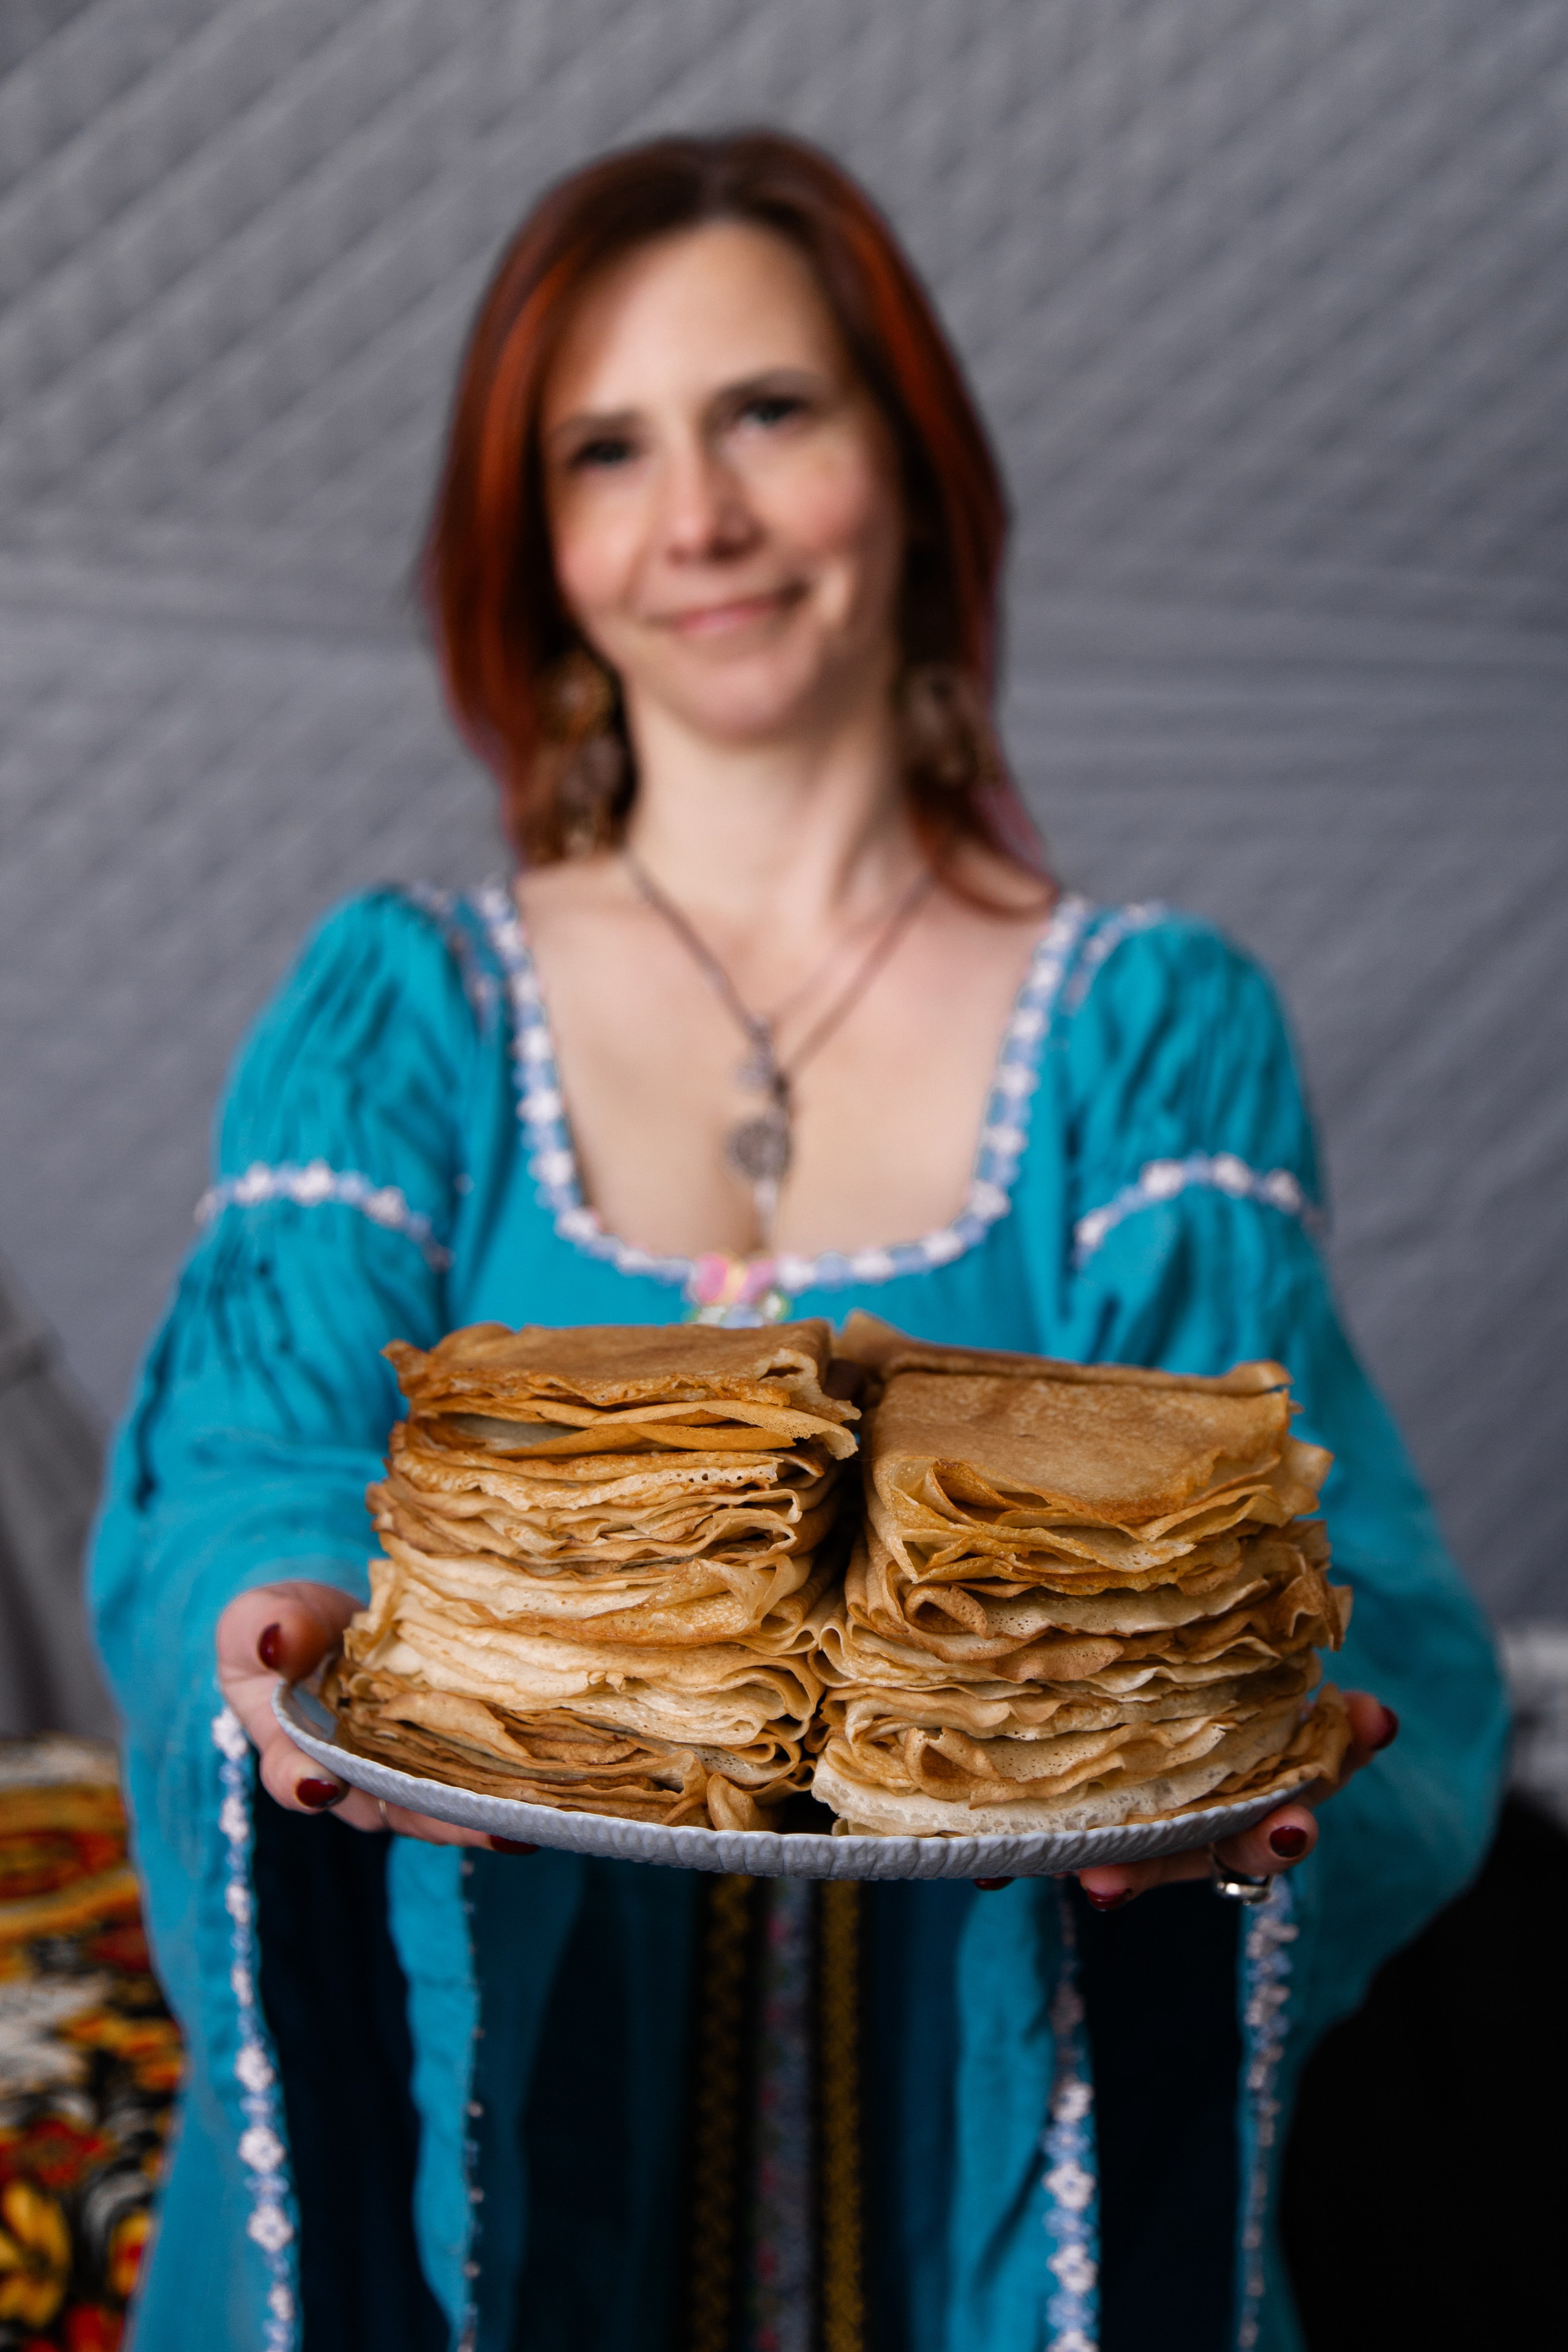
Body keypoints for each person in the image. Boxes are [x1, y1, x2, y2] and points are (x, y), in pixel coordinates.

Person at [89, 132, 1504, 2352]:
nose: (701, 521)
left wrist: (1234, 1756)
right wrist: (284, 1631)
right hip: (511, 2204)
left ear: (913, 463)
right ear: (535, 542)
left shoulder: (1148, 1036)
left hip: (996, 2232)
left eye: (769, 412)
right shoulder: (405, 1019)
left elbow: (1326, 1574)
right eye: (605, 449)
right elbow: (253, 1461)